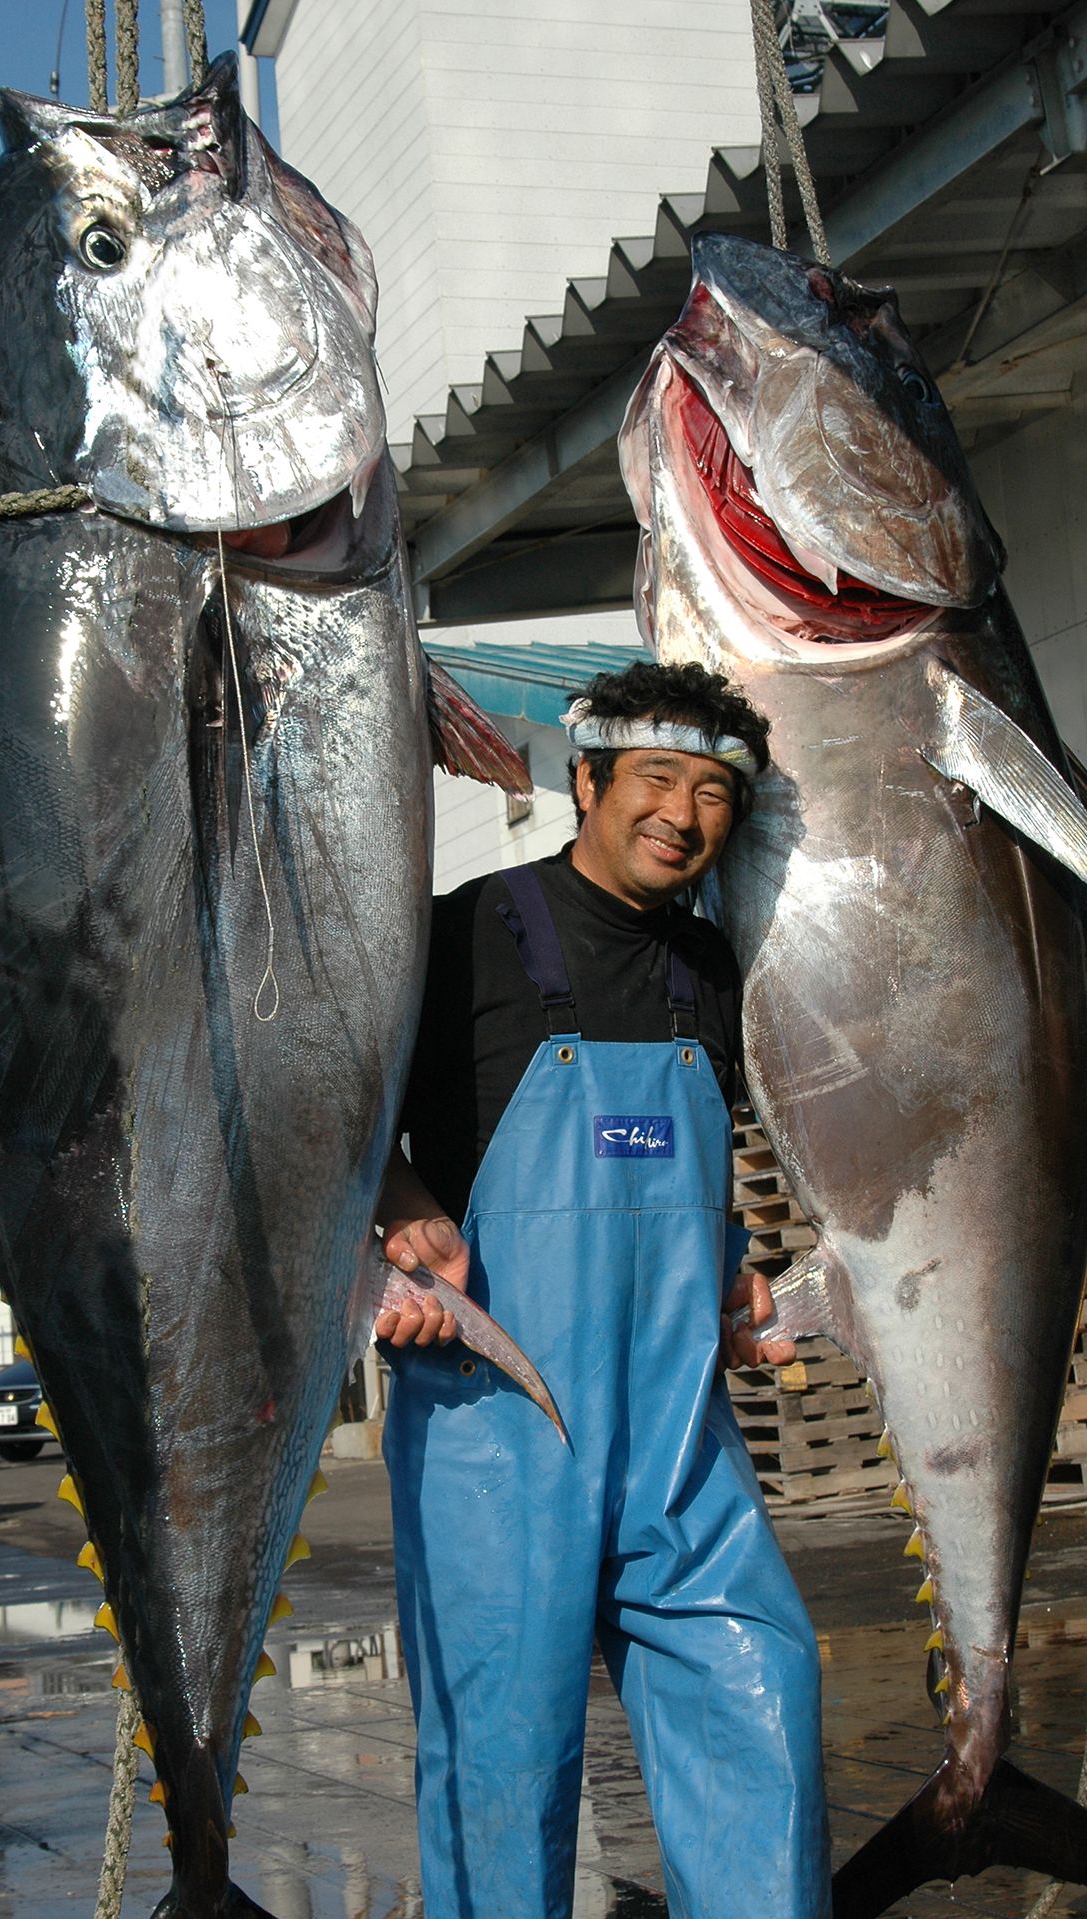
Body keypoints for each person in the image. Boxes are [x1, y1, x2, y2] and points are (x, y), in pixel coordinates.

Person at [374, 661, 830, 1919]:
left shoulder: (714, 968)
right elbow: (338, 1129)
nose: (681, 814)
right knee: (501, 1768)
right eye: (655, 781)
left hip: (680, 1449)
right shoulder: (462, 932)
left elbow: (688, 1191)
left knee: (762, 1700)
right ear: (586, 782)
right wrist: (398, 1210)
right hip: (492, 1434)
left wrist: (728, 1282)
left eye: (713, 794)